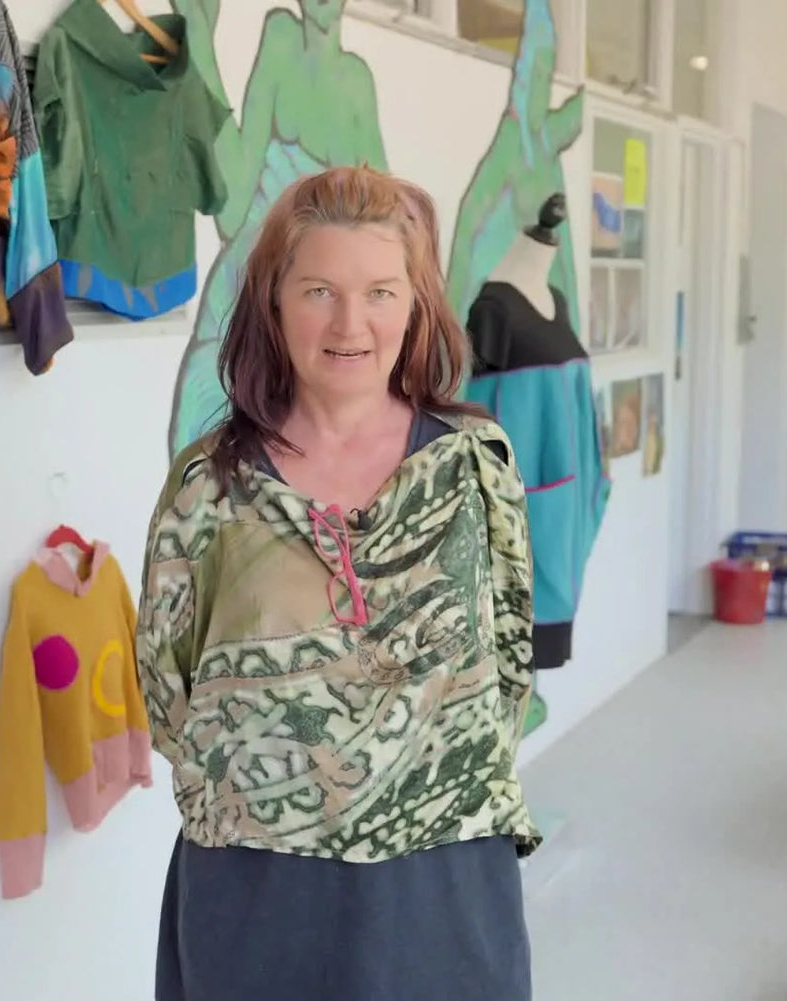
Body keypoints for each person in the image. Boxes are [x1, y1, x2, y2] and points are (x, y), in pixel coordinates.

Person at [136, 165, 541, 1001]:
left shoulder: (475, 470)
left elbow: (506, 671)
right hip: (258, 883)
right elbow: (167, 687)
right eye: (320, 289)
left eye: (382, 291)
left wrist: (402, 774)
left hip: (442, 879)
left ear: (418, 305)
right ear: (274, 303)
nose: (351, 323)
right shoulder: (209, 487)